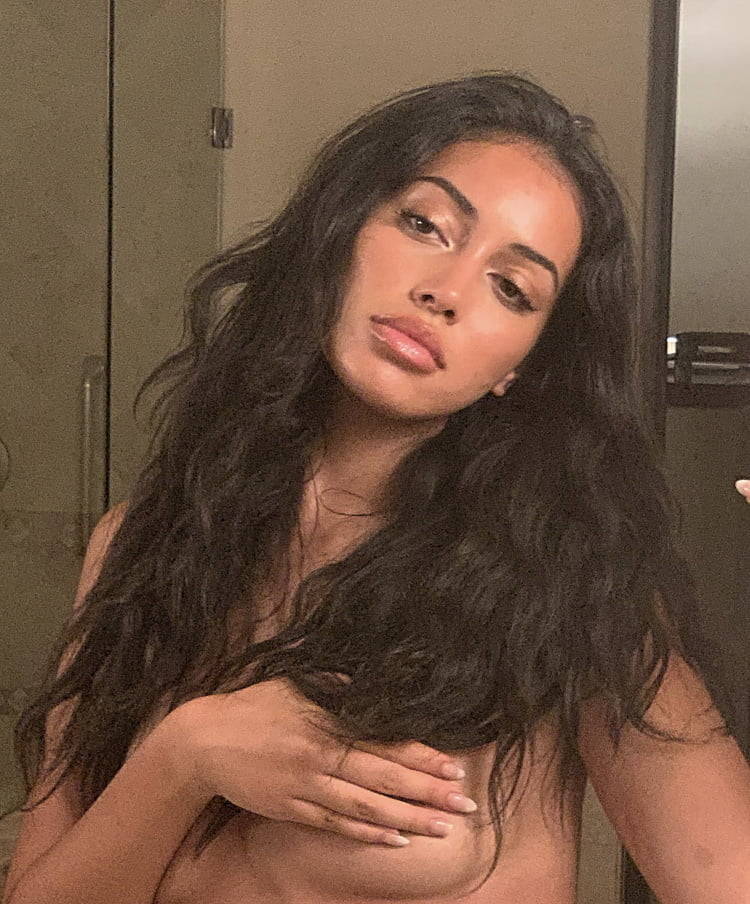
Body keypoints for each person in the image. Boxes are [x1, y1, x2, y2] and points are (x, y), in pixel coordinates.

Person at [4, 73, 750, 904]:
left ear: (523, 364)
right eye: (425, 225)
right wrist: (185, 757)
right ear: (342, 229)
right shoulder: (141, 542)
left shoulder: (567, 587)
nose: (445, 292)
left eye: (512, 288)